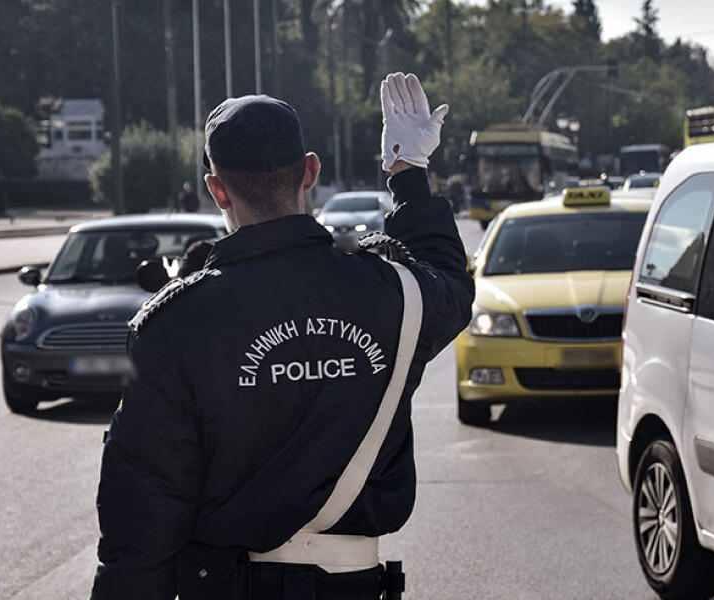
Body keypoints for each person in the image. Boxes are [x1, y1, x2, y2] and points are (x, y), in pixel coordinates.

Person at [92, 73, 472, 599]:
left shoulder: (176, 324)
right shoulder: (393, 294)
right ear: (310, 171)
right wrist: (408, 170)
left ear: (216, 188)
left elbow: (143, 519)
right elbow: (450, 280)